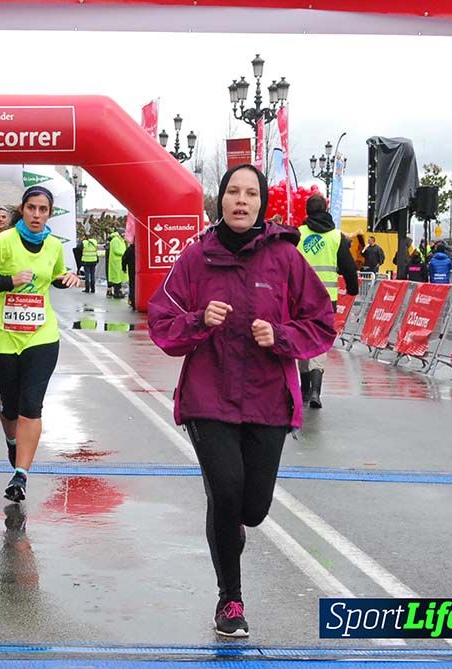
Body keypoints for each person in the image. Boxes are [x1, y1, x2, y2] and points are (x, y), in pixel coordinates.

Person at [147, 164, 335, 639]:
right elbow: (161, 321)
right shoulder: (195, 257)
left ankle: (233, 528)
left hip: (269, 400)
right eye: (233, 191)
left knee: (251, 508)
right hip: (207, 398)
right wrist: (197, 320)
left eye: (251, 193)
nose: (241, 200)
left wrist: (281, 336)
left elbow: (322, 322)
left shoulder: (286, 259)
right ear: (221, 200)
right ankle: (230, 599)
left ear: (261, 205)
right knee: (226, 492)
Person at [0, 185, 82, 503]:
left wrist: (66, 278)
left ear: (49, 213)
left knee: (32, 406)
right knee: (11, 407)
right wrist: (8, 281)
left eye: (43, 210)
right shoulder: (2, 242)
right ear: (23, 209)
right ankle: (13, 443)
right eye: (31, 208)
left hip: (41, 335)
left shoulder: (54, 246)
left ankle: (21, 476)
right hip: (2, 337)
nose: (36, 214)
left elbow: (56, 276)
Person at [295, 193, 359, 409]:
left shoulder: (298, 234)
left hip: (299, 299)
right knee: (319, 343)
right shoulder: (336, 237)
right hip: (326, 300)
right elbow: (349, 267)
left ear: (307, 211)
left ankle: (304, 390)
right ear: (325, 209)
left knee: (302, 339)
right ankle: (315, 390)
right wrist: (352, 289)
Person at [107, 229, 128, 298]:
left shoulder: (120, 240)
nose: (125, 235)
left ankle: (118, 292)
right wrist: (125, 253)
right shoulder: (115, 240)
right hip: (116, 262)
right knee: (117, 278)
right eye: (124, 233)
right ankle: (117, 293)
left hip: (119, 261)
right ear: (120, 233)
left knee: (119, 278)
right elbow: (116, 251)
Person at [121, 239, 136, 309]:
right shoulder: (140, 249)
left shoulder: (129, 250)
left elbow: (124, 259)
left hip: (131, 270)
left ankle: (132, 301)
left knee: (132, 285)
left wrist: (124, 268)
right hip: (140, 270)